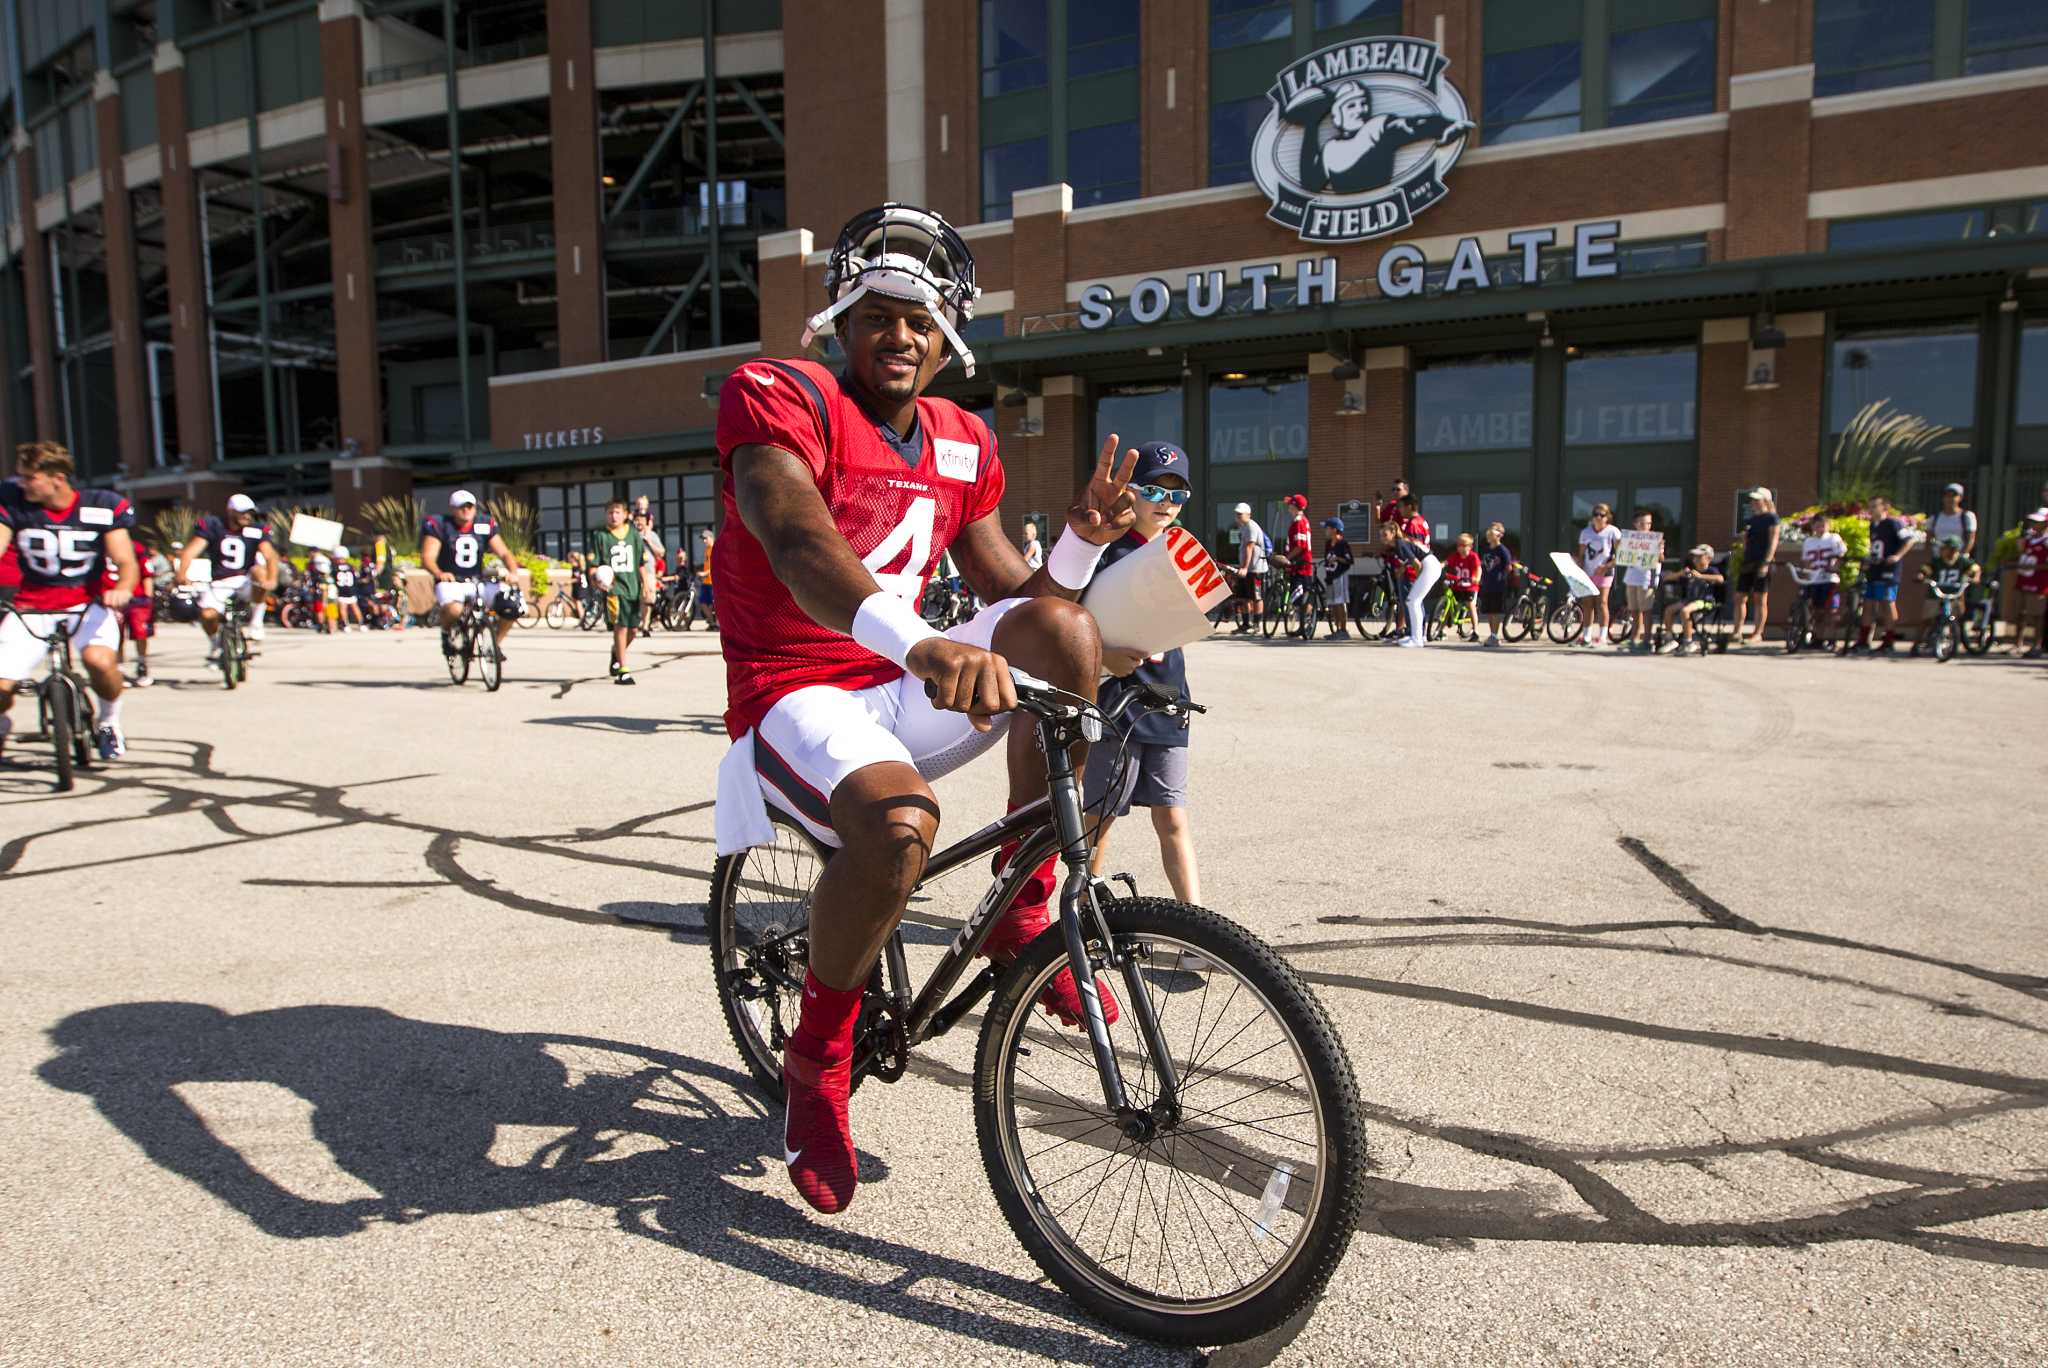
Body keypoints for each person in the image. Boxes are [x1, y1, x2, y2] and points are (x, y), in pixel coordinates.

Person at [710, 202, 1137, 1216]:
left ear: (945, 335)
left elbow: (1017, 601)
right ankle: (815, 1059)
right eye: (880, 313)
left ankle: (1023, 910)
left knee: (1064, 639)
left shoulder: (959, 437)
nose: (899, 335)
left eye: (919, 320)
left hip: (902, 682)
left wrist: (1075, 547)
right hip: (796, 690)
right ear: (843, 317)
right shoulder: (780, 395)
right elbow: (799, 544)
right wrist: (924, 644)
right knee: (900, 828)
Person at [1082, 442, 1202, 905]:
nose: (1166, 502)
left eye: (1177, 494)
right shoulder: (1106, 552)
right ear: (1131, 492)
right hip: (1117, 703)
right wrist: (1105, 657)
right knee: (1100, 816)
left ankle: (1196, 926)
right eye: (1154, 490)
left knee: (1173, 817)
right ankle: (1083, 913)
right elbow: (1075, 623)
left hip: (1169, 700)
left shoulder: (1181, 551)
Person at [0, 442, 139, 760]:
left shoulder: (102, 504)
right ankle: (2, 722)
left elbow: (126, 560)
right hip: (31, 605)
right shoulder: (13, 504)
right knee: (1, 686)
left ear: (57, 478)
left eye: (29, 477)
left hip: (87, 603)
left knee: (100, 662)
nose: (21, 484)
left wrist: (124, 588)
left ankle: (109, 721)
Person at [177, 493, 282, 663]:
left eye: (249, 512)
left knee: (259, 572)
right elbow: (190, 552)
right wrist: (182, 575)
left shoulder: (256, 529)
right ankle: (215, 643)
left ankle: (256, 623)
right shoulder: (214, 526)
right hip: (220, 582)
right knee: (207, 615)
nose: (247, 516)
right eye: (242, 512)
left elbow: (270, 555)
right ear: (231, 511)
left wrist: (272, 579)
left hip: (245, 581)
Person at [421, 489, 521, 659]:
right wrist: (440, 573)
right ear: (452, 508)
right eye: (461, 507)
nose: (466, 510)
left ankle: (494, 645)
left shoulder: (484, 524)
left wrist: (513, 572)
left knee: (511, 604)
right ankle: (446, 635)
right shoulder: (441, 525)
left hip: (477, 579)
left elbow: (504, 552)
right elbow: (427, 557)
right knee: (454, 609)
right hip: (452, 581)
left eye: (470, 506)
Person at [589, 499, 652, 684]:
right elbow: (593, 565)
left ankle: (616, 652)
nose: (613, 516)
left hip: (632, 587)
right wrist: (596, 579)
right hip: (614, 590)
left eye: (617, 512)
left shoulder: (633, 535)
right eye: (610, 512)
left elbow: (640, 563)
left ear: (625, 514)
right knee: (621, 626)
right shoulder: (601, 536)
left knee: (633, 629)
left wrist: (646, 584)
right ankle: (624, 670)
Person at [1853, 494, 1914, 655]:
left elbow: (1909, 540)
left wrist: (1897, 556)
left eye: (1875, 506)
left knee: (1887, 604)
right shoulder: (1873, 526)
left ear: (1884, 508)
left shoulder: (1894, 524)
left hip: (1888, 570)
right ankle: (1864, 640)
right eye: (1870, 506)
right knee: (1868, 604)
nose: (1871, 510)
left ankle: (1889, 640)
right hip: (1875, 569)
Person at [1731, 487, 1779, 646]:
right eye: (1753, 500)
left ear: (1765, 501)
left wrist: (1766, 562)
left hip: (1762, 562)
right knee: (1739, 597)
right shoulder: (1751, 521)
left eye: (1757, 500)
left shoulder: (1772, 518)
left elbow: (1773, 541)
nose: (1754, 503)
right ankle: (1737, 631)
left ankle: (1758, 633)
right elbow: (1746, 542)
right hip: (1748, 562)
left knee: (1760, 598)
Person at [1659, 544, 1724, 652]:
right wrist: (1680, 574)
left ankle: (1688, 641)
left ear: (1708, 558)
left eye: (1699, 557)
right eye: (1695, 557)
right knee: (1669, 610)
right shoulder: (1690, 572)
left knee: (1685, 611)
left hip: (1705, 601)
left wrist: (1701, 576)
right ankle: (1670, 638)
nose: (1696, 559)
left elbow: (1720, 579)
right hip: (1689, 600)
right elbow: (1666, 578)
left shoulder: (1711, 570)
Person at [1796, 512, 1847, 647]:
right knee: (1817, 610)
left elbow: (1841, 556)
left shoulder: (1833, 538)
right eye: (1818, 525)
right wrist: (1808, 576)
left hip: (1829, 579)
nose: (1821, 528)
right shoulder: (1809, 541)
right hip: (1815, 580)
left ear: (1828, 526)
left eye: (1823, 525)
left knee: (1831, 610)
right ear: (1813, 526)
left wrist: (1834, 568)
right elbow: (1806, 561)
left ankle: (1831, 638)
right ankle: (1818, 638)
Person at [1386, 517, 1437, 649]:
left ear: (1392, 533)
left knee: (1413, 601)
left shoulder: (1400, 543)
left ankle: (1417, 639)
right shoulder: (1402, 542)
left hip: (1430, 566)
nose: (1382, 538)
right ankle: (1415, 636)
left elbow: (1417, 564)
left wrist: (1417, 581)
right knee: (1413, 601)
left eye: (1384, 534)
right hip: (1430, 564)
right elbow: (1413, 557)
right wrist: (1403, 567)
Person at [1576, 502, 1621, 648]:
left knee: (1601, 603)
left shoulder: (1613, 532)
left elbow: (1620, 555)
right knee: (1587, 604)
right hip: (1588, 572)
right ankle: (1586, 635)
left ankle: (1602, 637)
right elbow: (1582, 555)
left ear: (1607, 517)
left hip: (1605, 572)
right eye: (1595, 514)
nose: (1598, 517)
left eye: (1601, 515)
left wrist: (1606, 566)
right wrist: (1578, 568)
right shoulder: (1585, 532)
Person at [117, 531, 157, 685]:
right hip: (112, 597)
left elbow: (146, 574)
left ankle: (142, 664)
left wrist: (148, 598)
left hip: (136, 598)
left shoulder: (136, 548)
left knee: (140, 632)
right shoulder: (101, 545)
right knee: (116, 636)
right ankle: (119, 668)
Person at [1620, 509, 1661, 653]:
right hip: (1631, 577)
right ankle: (1634, 638)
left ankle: (1647, 640)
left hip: (1646, 578)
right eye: (1643, 523)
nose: (1646, 526)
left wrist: (1658, 551)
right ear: (1636, 524)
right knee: (1634, 611)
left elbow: (1661, 559)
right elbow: (1622, 555)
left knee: (1646, 611)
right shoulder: (1630, 538)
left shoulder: (1655, 539)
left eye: (1649, 523)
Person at [1228, 501, 1269, 633]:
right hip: (1247, 569)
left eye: (1240, 514)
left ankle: (1257, 625)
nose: (1237, 517)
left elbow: (1249, 547)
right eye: (1236, 514)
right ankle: (1246, 624)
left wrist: (1244, 567)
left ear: (1248, 514)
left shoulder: (1251, 526)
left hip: (1255, 568)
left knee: (1256, 596)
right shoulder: (1244, 527)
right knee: (1243, 596)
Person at [2012, 509, 2047, 657]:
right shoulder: (2027, 539)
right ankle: (2017, 644)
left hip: (2039, 583)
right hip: (2023, 580)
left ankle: (2036, 645)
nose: (2033, 524)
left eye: (2037, 522)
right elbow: (2020, 554)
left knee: (2037, 615)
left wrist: (2032, 567)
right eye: (2033, 521)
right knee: (2021, 613)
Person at [1917, 535, 1979, 616]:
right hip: (1936, 595)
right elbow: (1925, 569)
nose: (1941, 550)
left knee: (1958, 616)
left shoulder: (1962, 561)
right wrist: (1921, 575)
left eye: (1945, 548)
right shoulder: (1937, 561)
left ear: (1954, 550)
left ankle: (1958, 627)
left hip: (1954, 594)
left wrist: (1975, 578)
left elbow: (1975, 568)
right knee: (1928, 618)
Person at [1477, 521, 1515, 646]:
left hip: (1498, 585)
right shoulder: (1487, 550)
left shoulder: (1502, 550)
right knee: (1489, 611)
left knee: (1496, 611)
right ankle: (1492, 635)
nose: (1489, 533)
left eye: (1492, 531)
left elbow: (1508, 567)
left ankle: (1494, 636)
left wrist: (1501, 577)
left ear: (1499, 535)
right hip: (1487, 584)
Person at [1441, 531, 1480, 637]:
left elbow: (1478, 568)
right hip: (1458, 585)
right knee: (1448, 604)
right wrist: (1441, 565)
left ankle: (1475, 630)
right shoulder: (1455, 556)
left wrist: (1476, 578)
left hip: (1470, 586)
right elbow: (1447, 562)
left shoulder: (1473, 557)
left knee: (1470, 605)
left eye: (1464, 545)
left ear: (1470, 546)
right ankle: (1441, 629)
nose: (1460, 548)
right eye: (1458, 545)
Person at [1283, 494, 1315, 622]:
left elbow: (1300, 546)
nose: (1288, 507)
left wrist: (1287, 558)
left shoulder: (1299, 522)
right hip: (1299, 564)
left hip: (1302, 565)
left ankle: (1305, 622)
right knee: (1300, 595)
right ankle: (1302, 622)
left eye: (1290, 504)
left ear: (1295, 506)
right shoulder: (1299, 521)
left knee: (1300, 596)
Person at [634, 508, 666, 633]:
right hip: (633, 572)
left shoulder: (652, 535)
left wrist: (649, 542)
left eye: (641, 520)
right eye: (637, 519)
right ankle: (637, 622)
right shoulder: (631, 534)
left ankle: (646, 625)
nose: (639, 522)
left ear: (646, 522)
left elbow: (661, 553)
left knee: (647, 598)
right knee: (635, 598)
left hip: (648, 571)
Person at [1320, 516, 1353, 636]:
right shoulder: (1328, 543)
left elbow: (1349, 561)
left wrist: (1338, 558)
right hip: (1330, 577)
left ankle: (1343, 630)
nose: (1325, 531)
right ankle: (1336, 629)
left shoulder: (1343, 544)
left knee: (1340, 602)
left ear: (1334, 529)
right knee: (1332, 603)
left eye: (1327, 528)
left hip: (1340, 576)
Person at [1928, 483, 1977, 558]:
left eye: (1953, 496)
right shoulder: (1934, 517)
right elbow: (1930, 539)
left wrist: (1961, 557)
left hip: (1959, 560)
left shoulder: (1967, 516)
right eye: (1947, 495)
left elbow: (1971, 539)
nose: (1950, 499)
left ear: (1960, 498)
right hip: (1938, 559)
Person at [333, 548, 367, 631]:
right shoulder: (351, 567)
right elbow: (355, 579)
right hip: (351, 590)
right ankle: (361, 623)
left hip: (342, 591)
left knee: (343, 608)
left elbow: (334, 580)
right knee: (355, 607)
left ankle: (345, 624)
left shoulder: (335, 568)